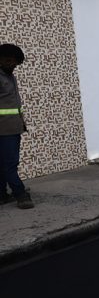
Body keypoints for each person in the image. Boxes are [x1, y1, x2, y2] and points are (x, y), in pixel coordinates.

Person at [0, 43, 34, 209]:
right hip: (4, 129)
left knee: (4, 164)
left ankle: (1, 195)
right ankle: (21, 194)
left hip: (13, 127)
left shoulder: (9, 76)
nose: (13, 64)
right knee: (10, 164)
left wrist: (21, 123)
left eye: (15, 62)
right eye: (9, 60)